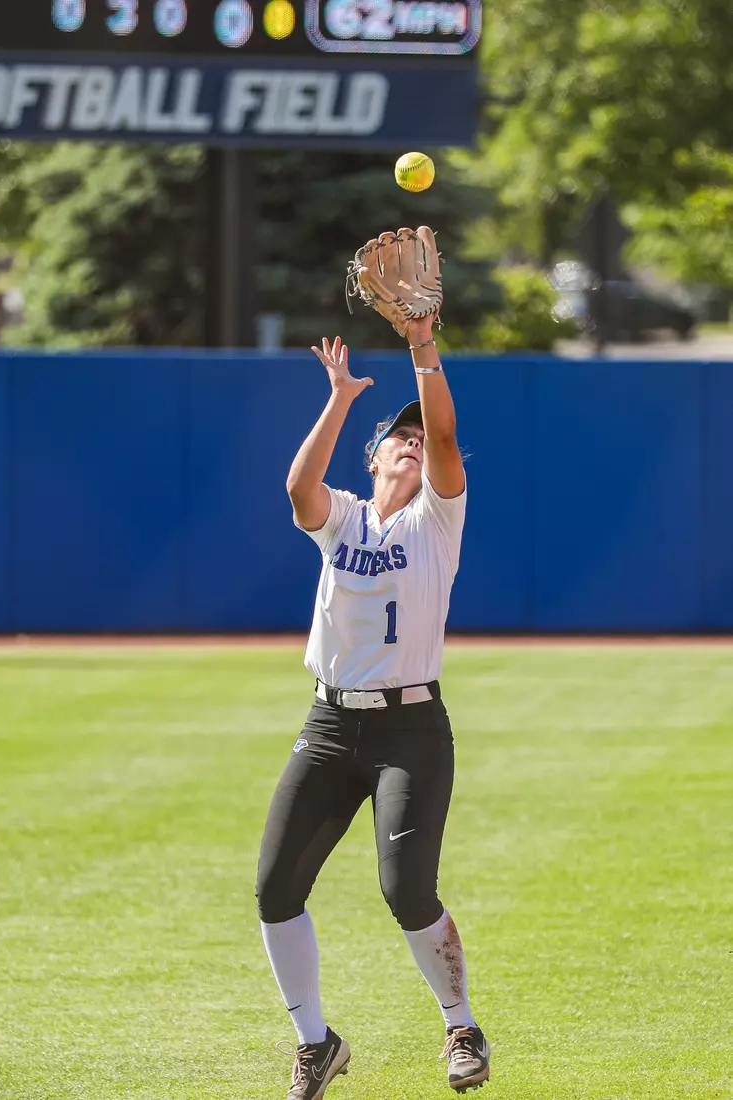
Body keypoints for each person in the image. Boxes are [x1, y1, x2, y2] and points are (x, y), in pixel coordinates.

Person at [256, 306, 490, 1098]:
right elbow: (299, 488)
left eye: (419, 436)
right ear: (376, 454)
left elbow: (451, 443)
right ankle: (315, 1044)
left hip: (410, 730)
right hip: (328, 724)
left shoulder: (437, 520)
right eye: (401, 434)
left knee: (405, 889)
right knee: (275, 887)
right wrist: (342, 397)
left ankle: (460, 1025)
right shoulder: (345, 517)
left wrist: (422, 345)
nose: (414, 439)